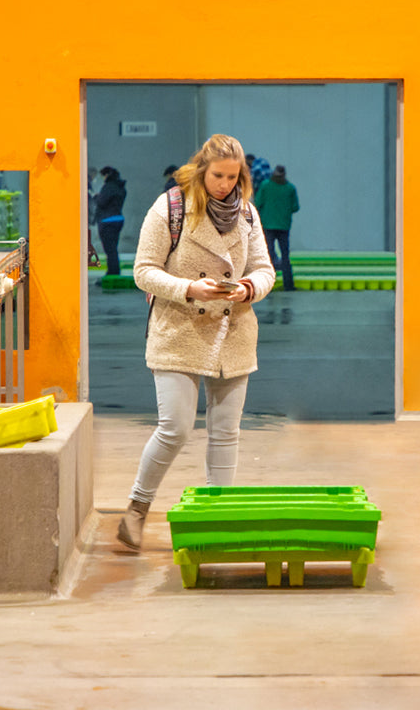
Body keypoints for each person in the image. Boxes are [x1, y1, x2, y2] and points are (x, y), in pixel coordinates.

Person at [116, 133, 276, 551]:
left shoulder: (247, 215)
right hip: (178, 330)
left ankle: (218, 515)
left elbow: (265, 269)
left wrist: (247, 289)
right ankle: (136, 509)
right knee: (175, 428)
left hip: (234, 333)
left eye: (233, 177)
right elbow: (144, 271)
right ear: (201, 170)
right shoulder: (170, 207)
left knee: (226, 432)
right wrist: (190, 288)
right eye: (218, 175)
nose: (225, 184)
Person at [255, 165, 300, 290]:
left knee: (268, 254)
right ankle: (288, 284)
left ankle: (268, 283)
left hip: (268, 224)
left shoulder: (265, 185)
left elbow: (258, 203)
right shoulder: (290, 188)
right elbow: (295, 207)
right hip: (284, 226)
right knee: (285, 255)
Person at [92, 166, 128, 277]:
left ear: (107, 175)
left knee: (109, 249)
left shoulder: (108, 187)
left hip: (107, 221)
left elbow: (102, 202)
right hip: (118, 219)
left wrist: (96, 197)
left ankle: (112, 273)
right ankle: (114, 270)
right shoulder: (121, 187)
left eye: (103, 175)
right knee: (113, 248)